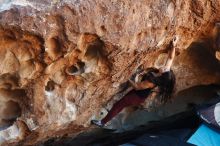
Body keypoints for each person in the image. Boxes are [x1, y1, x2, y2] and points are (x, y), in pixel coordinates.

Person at [91, 37, 178, 127]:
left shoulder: (151, 82)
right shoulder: (164, 72)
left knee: (119, 105)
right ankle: (104, 121)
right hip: (137, 92)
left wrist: (127, 78)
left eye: (164, 69)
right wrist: (174, 45)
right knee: (119, 105)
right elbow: (170, 58)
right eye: (165, 69)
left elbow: (136, 87)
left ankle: (102, 122)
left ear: (162, 75)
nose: (164, 67)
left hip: (138, 97)